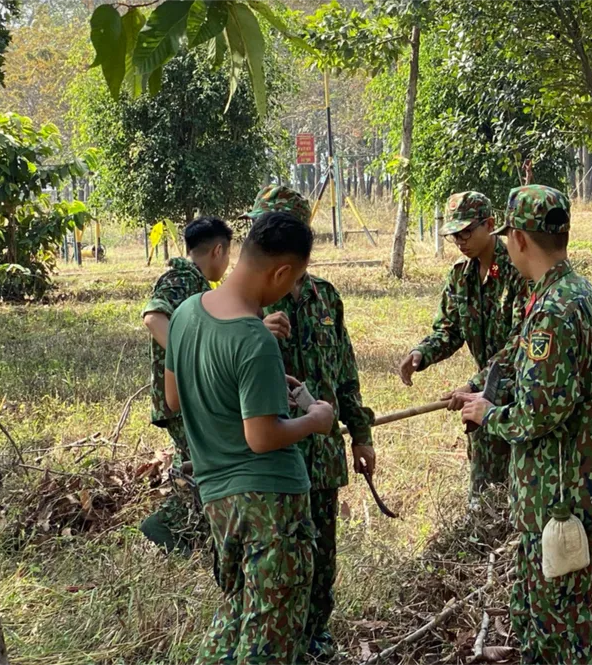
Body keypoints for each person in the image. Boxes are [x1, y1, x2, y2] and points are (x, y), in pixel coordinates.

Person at [165, 210, 336, 665]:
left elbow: (174, 396)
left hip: (218, 499)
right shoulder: (254, 339)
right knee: (271, 639)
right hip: (271, 507)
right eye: (293, 280)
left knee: (236, 614)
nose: (290, 290)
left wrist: (261, 384)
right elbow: (262, 437)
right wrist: (316, 419)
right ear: (281, 272)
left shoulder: (185, 314)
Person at [460, 185, 592, 664]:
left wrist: (488, 415)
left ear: (521, 240)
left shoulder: (553, 311)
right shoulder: (578, 295)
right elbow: (529, 370)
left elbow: (538, 412)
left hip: (559, 503)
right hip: (564, 498)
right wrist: (480, 387)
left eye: (509, 236)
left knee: (560, 636)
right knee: (552, 625)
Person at [243, 185, 377, 659]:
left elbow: (345, 373)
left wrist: (360, 435)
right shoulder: (244, 301)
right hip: (272, 458)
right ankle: (281, 643)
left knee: (321, 556)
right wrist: (255, 333)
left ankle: (316, 635)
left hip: (320, 455)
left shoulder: (325, 297)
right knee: (277, 562)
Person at [398, 191, 528, 497]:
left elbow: (521, 342)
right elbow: (450, 329)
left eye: (466, 232)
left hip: (521, 392)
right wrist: (421, 353)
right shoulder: (460, 275)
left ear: (490, 225)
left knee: (521, 481)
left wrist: (473, 385)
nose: (460, 241)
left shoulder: (518, 270)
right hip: (484, 395)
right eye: (454, 235)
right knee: (486, 487)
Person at [139, 217, 232, 560]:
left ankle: (192, 535)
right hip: (182, 394)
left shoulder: (197, 283)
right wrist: (190, 361)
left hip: (189, 394)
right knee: (203, 463)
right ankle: (166, 526)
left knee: (193, 462)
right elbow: (153, 316)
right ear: (218, 250)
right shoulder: (181, 279)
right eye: (228, 254)